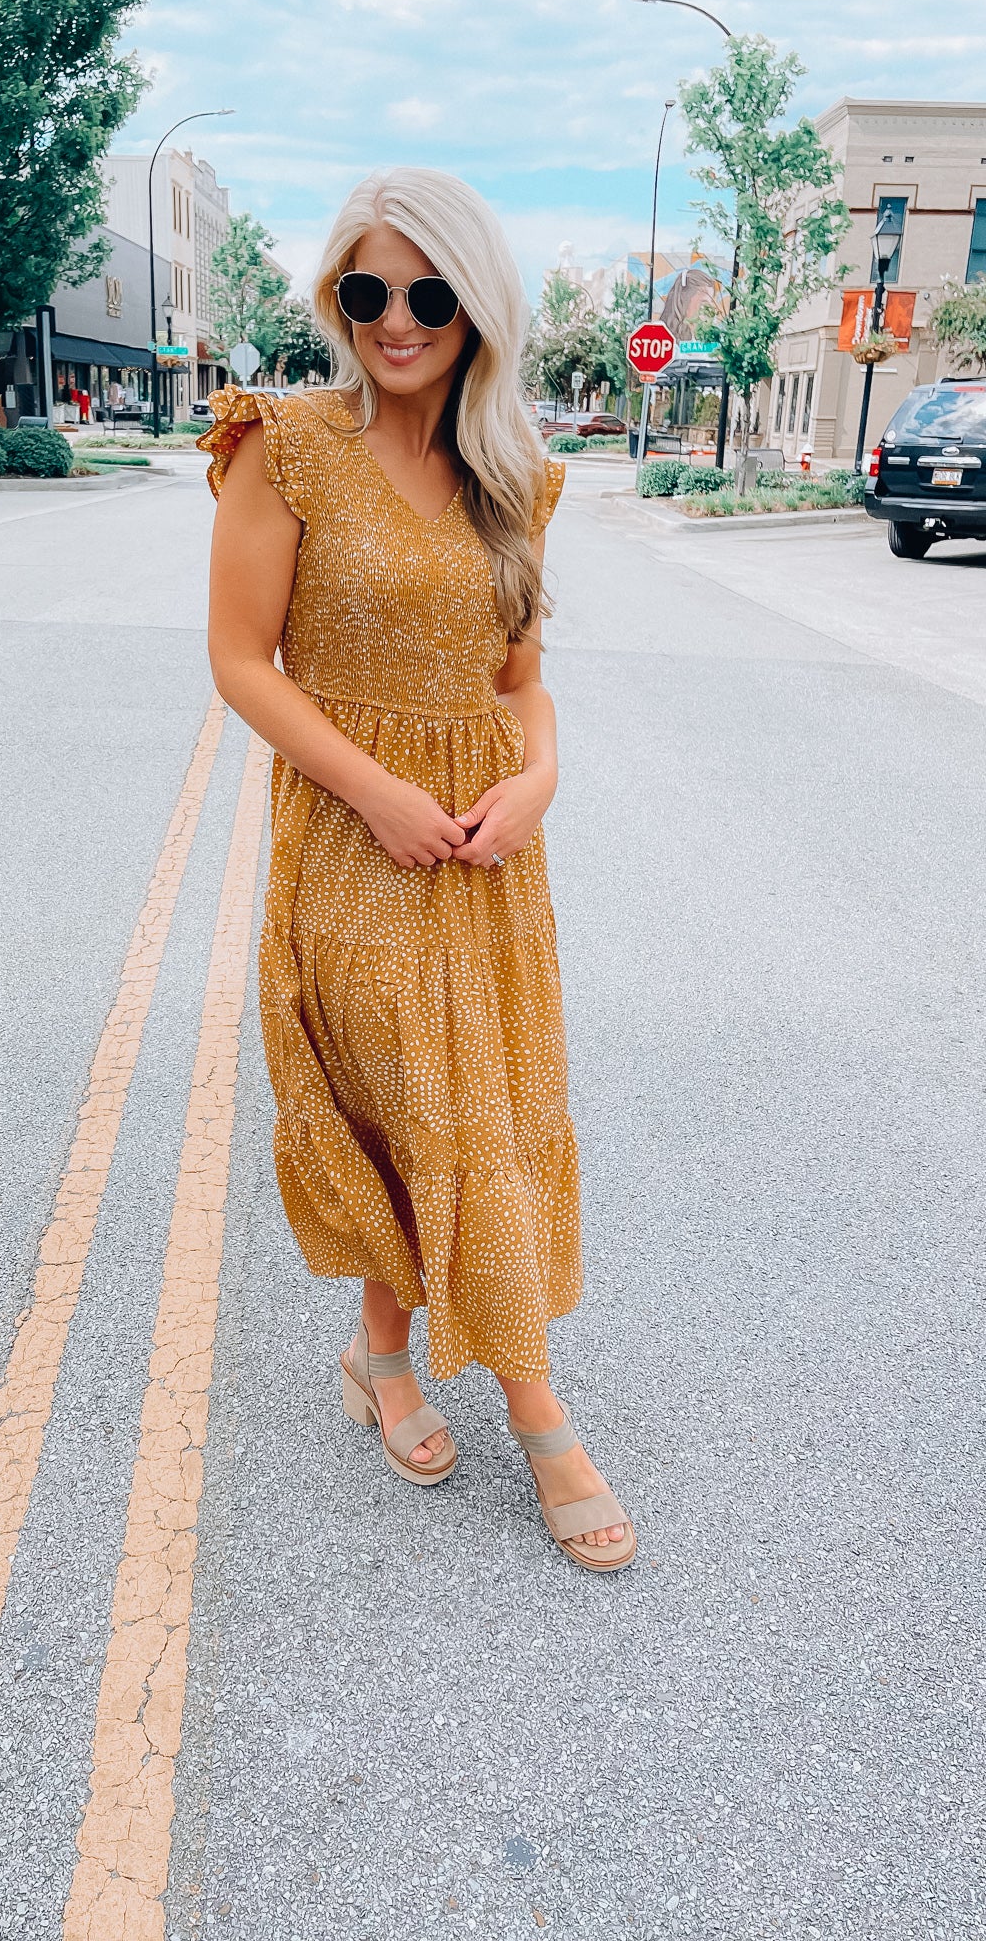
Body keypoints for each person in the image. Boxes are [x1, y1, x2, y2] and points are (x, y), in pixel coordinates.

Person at [202, 167, 633, 1572]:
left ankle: (380, 1358)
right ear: (337, 300)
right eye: (367, 291)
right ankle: (539, 1411)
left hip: (490, 850)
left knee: (465, 1108)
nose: (396, 321)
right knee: (423, 1106)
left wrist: (541, 776)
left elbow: (521, 679)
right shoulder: (284, 445)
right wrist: (379, 792)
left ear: (476, 307)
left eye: (429, 294)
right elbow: (240, 661)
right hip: (351, 834)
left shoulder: (517, 478)